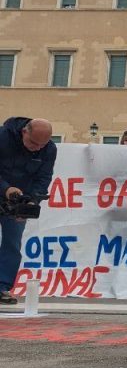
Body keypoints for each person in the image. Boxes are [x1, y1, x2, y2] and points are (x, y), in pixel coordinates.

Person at [0, 118, 57, 306]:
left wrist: (32, 201)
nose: (37, 148)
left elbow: (44, 177)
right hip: (6, 188)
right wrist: (5, 188)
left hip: (18, 198)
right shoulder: (3, 137)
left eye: (42, 145)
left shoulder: (49, 149)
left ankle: (2, 286)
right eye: (33, 143)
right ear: (24, 131)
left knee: (12, 242)